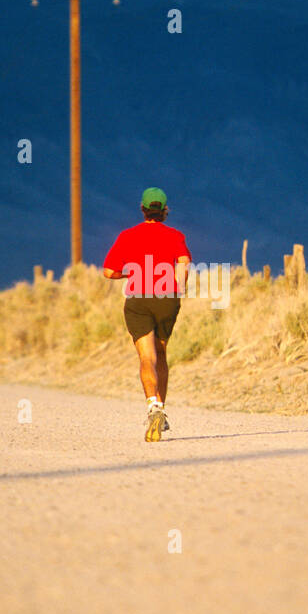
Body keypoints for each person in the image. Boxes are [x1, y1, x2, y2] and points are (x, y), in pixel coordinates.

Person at [102, 187, 192, 442]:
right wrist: (178, 287)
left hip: (138, 300)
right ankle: (161, 409)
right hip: (167, 298)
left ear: (142, 209)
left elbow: (108, 271)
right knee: (162, 353)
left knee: (147, 356)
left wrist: (129, 274)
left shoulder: (128, 235)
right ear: (164, 211)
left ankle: (152, 404)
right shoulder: (175, 235)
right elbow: (184, 263)